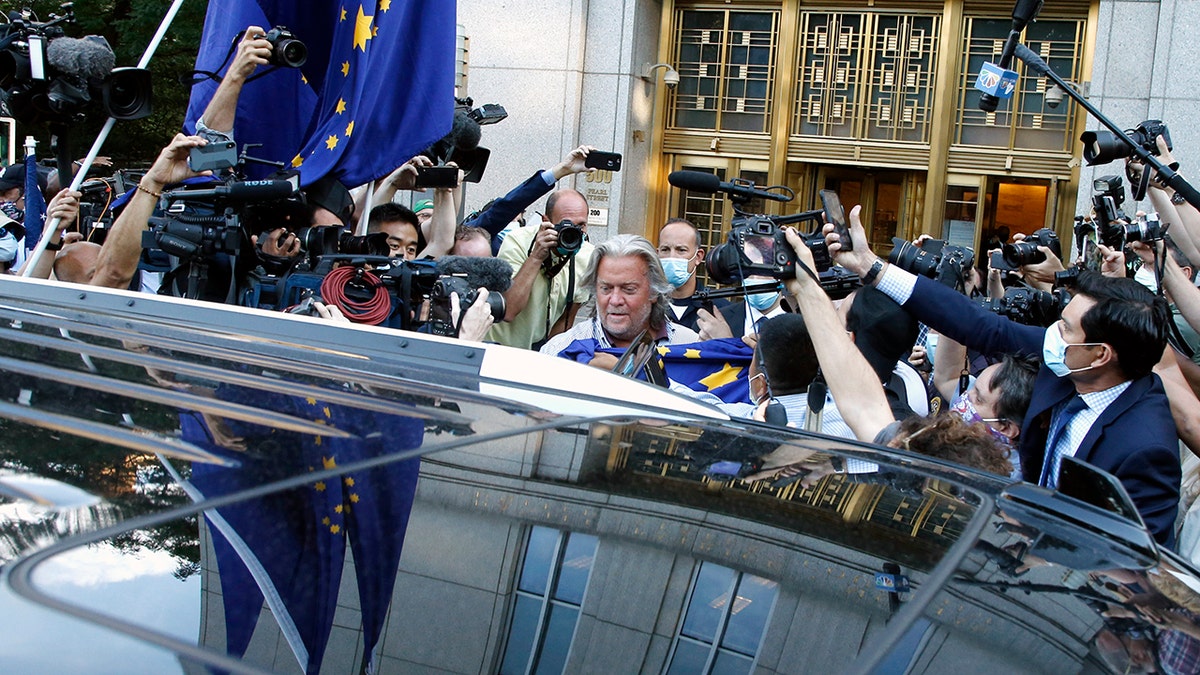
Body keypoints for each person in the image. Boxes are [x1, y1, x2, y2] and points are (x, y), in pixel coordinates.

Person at [826, 205, 1181, 544]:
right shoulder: (1073, 363)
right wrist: (872, 268)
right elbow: (981, 327)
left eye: (1065, 328)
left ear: (1101, 355)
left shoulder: (1144, 449)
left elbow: (1136, 571)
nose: (1053, 334)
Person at [540, 234, 699, 359]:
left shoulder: (691, 347)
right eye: (606, 288)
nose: (615, 300)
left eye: (628, 289)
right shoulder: (560, 351)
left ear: (654, 292)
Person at [487, 189, 594, 350]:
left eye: (581, 225)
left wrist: (549, 356)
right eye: (567, 224)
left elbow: (567, 320)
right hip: (501, 349)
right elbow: (508, 311)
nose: (574, 232)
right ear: (546, 221)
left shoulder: (587, 254)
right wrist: (536, 257)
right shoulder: (517, 242)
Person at [462, 145, 596, 254]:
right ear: (546, 221)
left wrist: (561, 170)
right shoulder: (472, 240)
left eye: (519, 221)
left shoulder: (588, 255)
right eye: (508, 220)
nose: (514, 226)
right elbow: (507, 207)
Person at [656, 218, 728, 332]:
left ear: (698, 257)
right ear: (657, 254)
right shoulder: (646, 305)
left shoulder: (720, 309)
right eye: (665, 249)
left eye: (681, 250)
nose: (672, 256)